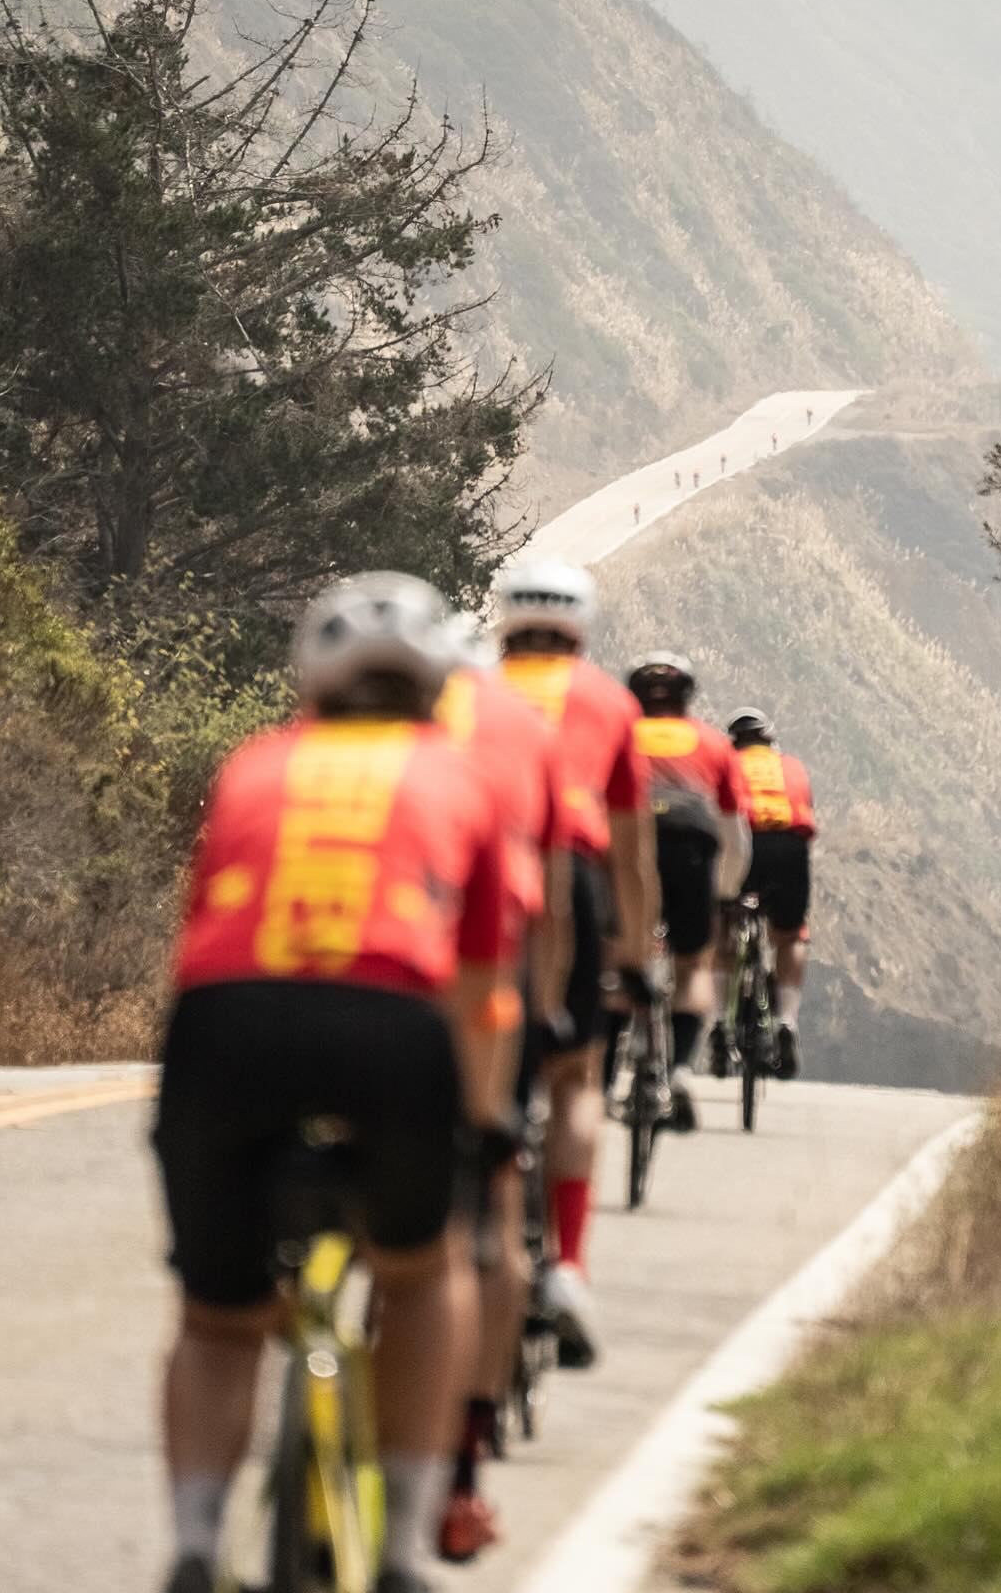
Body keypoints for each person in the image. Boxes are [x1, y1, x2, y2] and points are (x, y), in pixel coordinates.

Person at [152, 573, 517, 1593]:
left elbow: (203, 939)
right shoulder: (462, 779)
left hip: (224, 1027)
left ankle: (191, 1547)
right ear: (434, 686)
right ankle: (399, 1548)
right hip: (389, 1026)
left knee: (216, 1317)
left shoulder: (253, 765)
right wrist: (483, 1124)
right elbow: (483, 987)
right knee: (418, 1271)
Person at [493, 558, 656, 1367]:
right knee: (577, 1076)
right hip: (579, 878)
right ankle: (569, 1267)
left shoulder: (470, 691)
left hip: (483, 873)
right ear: (580, 629)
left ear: (503, 624)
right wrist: (634, 950)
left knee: (479, 1056)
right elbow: (632, 850)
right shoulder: (609, 701)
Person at [434, 614, 571, 1563]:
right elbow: (564, 895)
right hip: (479, 973)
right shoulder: (524, 734)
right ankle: (462, 1464)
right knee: (476, 1221)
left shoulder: (297, 755)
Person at [626, 654, 750, 1130]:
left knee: (620, 956)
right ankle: (678, 1072)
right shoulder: (715, 745)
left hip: (634, 844)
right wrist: (727, 891)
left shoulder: (621, 735)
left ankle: (602, 1080)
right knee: (694, 963)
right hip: (691, 848)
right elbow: (734, 832)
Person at [725, 708, 817, 1081]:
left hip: (744, 842)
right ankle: (787, 1022)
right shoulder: (791, 767)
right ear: (769, 742)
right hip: (789, 846)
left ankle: (719, 1020)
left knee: (723, 923)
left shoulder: (727, 763)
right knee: (791, 934)